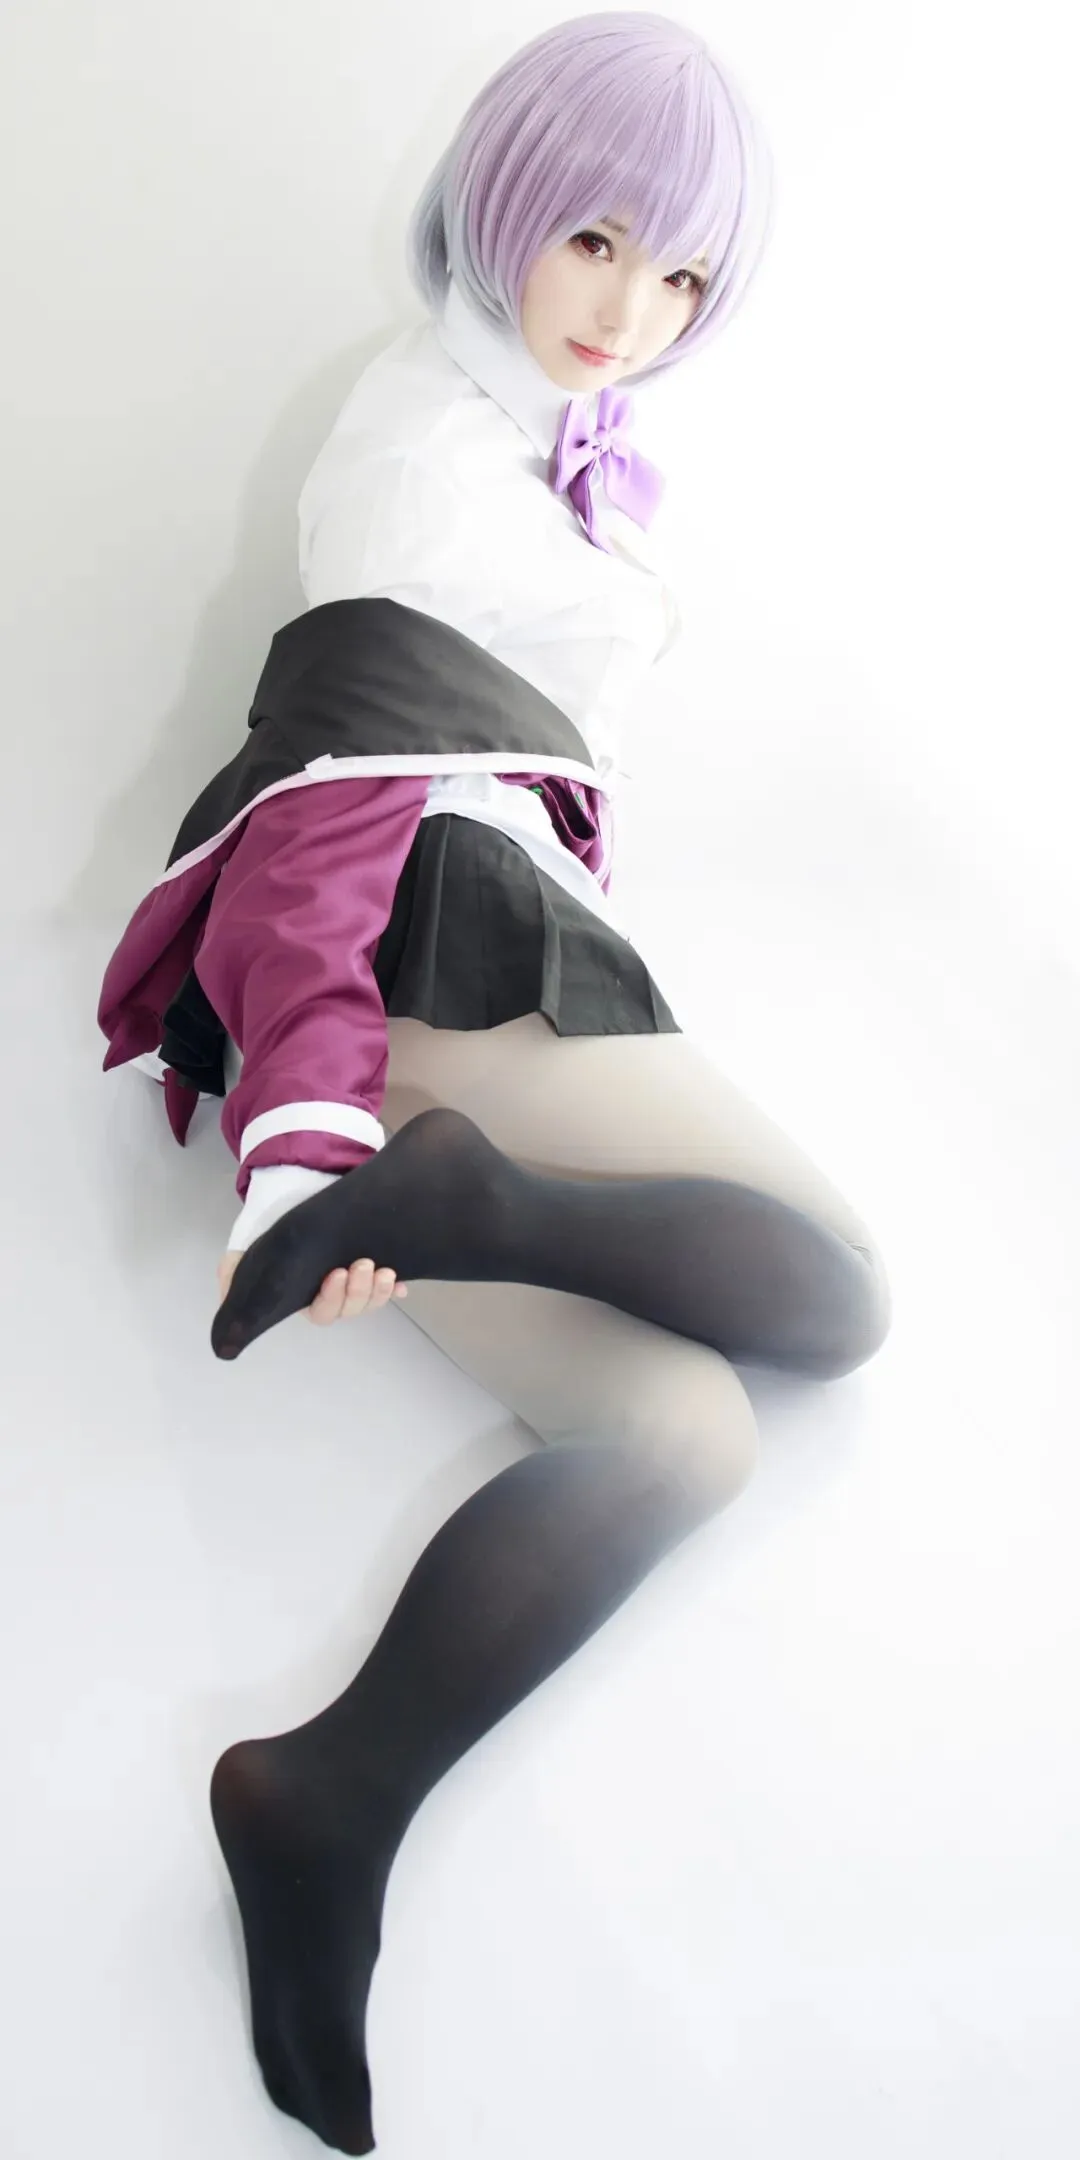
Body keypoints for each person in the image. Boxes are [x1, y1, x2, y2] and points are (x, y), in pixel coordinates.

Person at [97, 12, 892, 2153]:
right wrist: (309, 1143)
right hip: (433, 955)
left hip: (476, 969)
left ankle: (329, 1798)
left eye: (682, 275)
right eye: (596, 239)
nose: (628, 311)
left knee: (682, 1430)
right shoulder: (424, 459)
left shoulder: (529, 438)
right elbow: (319, 824)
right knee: (835, 1298)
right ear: (504, 201)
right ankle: (466, 1192)